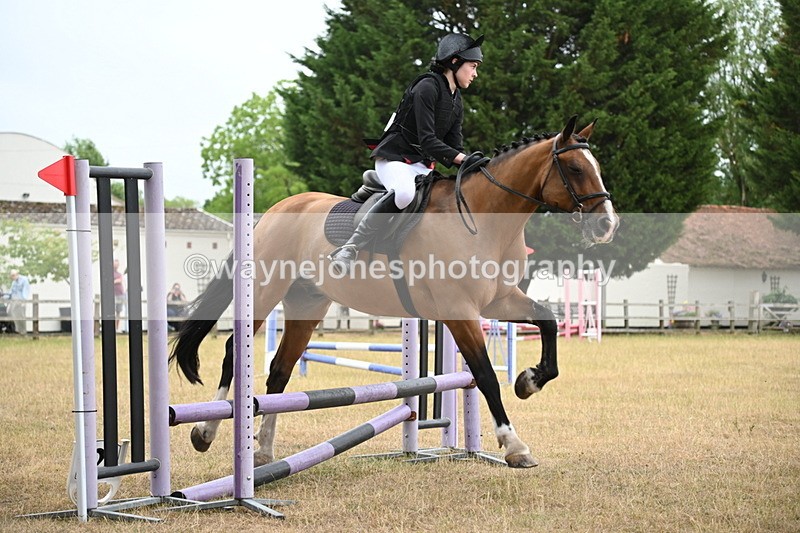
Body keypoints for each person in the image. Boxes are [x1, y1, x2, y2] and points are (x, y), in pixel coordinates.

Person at [328, 33, 486, 275]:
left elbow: (455, 145)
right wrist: (463, 159)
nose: (475, 74)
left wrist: (471, 165)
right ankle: (350, 247)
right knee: (404, 194)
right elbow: (428, 140)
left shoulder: (457, 101)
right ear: (454, 62)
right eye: (472, 67)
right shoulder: (427, 87)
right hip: (394, 160)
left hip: (422, 166)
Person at [8, 269, 31, 335]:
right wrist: (5, 296)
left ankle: (23, 332)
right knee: (10, 312)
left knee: (21, 316)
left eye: (13, 275)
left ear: (17, 274)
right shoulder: (14, 282)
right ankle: (17, 329)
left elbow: (25, 291)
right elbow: (11, 291)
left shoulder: (24, 280)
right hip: (14, 301)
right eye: (11, 276)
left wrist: (24, 301)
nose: (12, 277)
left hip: (21, 301)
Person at [113, 259, 127, 333]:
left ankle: (117, 328)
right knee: (112, 312)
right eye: (115, 264)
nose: (116, 265)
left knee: (118, 312)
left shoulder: (119, 274)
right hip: (113, 295)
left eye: (117, 264)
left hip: (120, 294)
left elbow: (121, 280)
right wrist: (116, 281)